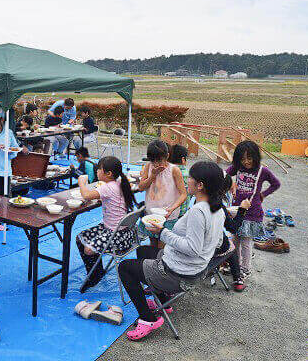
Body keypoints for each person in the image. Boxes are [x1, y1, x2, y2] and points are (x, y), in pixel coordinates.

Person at [118, 161, 225, 341]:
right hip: (195, 269)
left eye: (190, 178)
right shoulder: (217, 208)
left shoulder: (199, 211)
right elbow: (218, 241)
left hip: (178, 274)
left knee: (125, 268)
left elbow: (192, 248)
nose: (187, 181)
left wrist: (162, 233)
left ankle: (147, 319)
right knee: (143, 252)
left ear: (200, 185)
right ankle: (162, 301)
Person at [76, 156, 137, 292]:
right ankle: (97, 271)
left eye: (99, 169)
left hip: (117, 236)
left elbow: (85, 195)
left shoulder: (108, 187)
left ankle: (94, 276)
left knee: (88, 249)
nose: (97, 171)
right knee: (81, 237)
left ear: (108, 174)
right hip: (125, 233)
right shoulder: (120, 183)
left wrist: (82, 182)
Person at [226, 140, 281, 278]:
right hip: (237, 211)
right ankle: (236, 266)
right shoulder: (237, 168)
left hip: (252, 213)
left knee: (245, 242)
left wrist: (263, 194)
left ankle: (245, 269)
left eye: (249, 158)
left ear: (256, 157)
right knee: (235, 240)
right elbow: (223, 174)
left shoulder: (263, 171)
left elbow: (276, 184)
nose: (246, 162)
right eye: (242, 159)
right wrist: (231, 182)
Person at [137, 140, 187, 245]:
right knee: (152, 243)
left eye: (159, 160)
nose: (156, 164)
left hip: (168, 216)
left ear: (167, 156)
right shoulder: (148, 166)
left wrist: (172, 208)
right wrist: (152, 176)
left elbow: (183, 194)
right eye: (153, 160)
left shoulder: (174, 170)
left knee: (162, 245)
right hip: (151, 214)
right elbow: (141, 187)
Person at [218, 172, 251, 292]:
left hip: (197, 245)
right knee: (230, 245)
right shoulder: (218, 207)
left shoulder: (199, 200)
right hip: (209, 250)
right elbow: (233, 228)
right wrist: (242, 210)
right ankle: (238, 279)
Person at [169, 144, 191, 218]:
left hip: (167, 209)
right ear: (183, 159)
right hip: (182, 211)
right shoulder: (187, 175)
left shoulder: (166, 171)